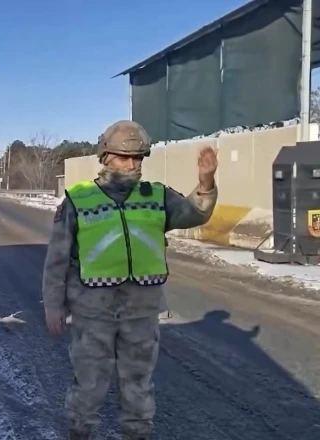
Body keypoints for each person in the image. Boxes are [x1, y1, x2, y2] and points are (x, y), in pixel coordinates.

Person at [42, 120, 218, 440]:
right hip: (92, 311)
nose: (132, 164)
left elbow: (194, 213)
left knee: (138, 383)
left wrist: (206, 184)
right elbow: (57, 259)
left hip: (141, 310)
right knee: (89, 383)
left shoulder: (156, 196)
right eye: (124, 157)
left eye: (138, 158)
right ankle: (80, 433)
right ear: (105, 157)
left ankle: (137, 434)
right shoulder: (78, 200)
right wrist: (54, 305)